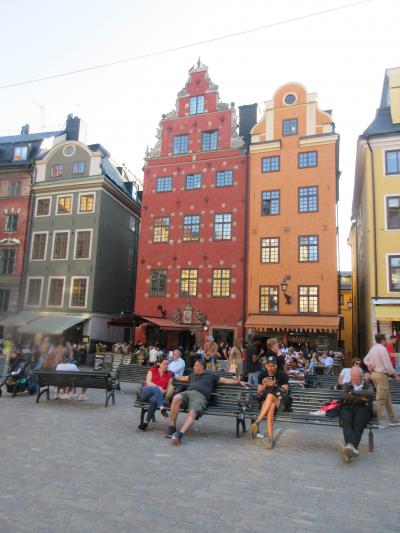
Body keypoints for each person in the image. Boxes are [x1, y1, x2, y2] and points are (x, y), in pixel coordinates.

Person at [165, 359, 248, 445]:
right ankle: (172, 426)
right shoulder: (192, 375)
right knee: (176, 398)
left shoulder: (211, 375)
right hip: (188, 393)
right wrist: (172, 378)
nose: (193, 367)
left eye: (195, 365)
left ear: (201, 366)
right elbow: (183, 378)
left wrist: (239, 382)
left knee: (192, 412)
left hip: (200, 396)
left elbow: (225, 380)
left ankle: (180, 434)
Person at [336, 367, 374, 463]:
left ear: (361, 376)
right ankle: (350, 449)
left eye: (356, 377)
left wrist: (352, 393)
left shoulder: (368, 385)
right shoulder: (347, 384)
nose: (354, 379)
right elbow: (344, 395)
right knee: (347, 422)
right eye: (352, 376)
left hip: (363, 408)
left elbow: (369, 394)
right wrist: (360, 397)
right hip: (348, 407)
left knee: (358, 424)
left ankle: (348, 449)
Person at [250, 355, 289, 448]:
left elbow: (285, 391)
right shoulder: (262, 375)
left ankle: (258, 421)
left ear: (276, 366)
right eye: (268, 366)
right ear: (266, 366)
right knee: (270, 406)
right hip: (268, 404)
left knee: (271, 395)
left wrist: (275, 385)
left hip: (280, 403)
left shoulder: (282, 375)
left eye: (272, 366)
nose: (270, 368)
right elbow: (259, 392)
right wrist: (265, 385)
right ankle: (270, 439)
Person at [364, 334, 400, 427]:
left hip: (374, 374)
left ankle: (392, 419)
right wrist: (396, 375)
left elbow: (365, 359)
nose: (387, 341)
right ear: (383, 340)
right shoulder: (383, 349)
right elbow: (388, 365)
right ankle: (376, 421)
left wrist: (370, 365)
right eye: (386, 339)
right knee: (381, 398)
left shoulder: (373, 348)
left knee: (386, 398)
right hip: (381, 376)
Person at [138, 359, 174, 431]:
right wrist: (159, 388)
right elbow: (148, 382)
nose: (166, 365)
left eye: (167, 364)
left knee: (154, 400)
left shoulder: (169, 375)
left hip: (156, 396)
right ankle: (162, 408)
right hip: (145, 392)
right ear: (159, 364)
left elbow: (167, 389)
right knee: (156, 388)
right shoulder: (152, 370)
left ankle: (146, 423)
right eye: (164, 364)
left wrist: (165, 391)